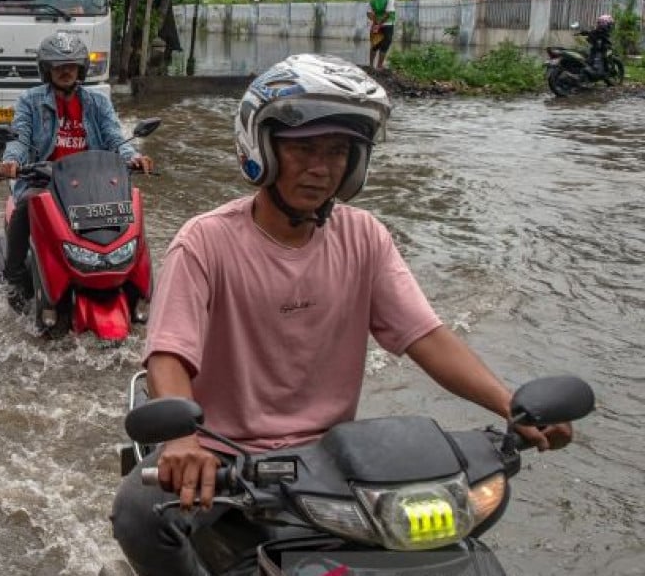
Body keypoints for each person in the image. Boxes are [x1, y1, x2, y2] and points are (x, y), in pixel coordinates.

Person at [109, 54, 574, 576]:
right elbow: (168, 354)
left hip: (330, 462)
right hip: (226, 460)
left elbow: (427, 337)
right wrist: (182, 439)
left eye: (337, 151)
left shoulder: (365, 237)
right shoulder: (206, 241)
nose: (321, 167)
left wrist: (512, 405)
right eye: (303, 148)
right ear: (262, 148)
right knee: (137, 513)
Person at [0, 32, 153, 301]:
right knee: (25, 206)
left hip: (92, 181)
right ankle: (14, 279)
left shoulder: (97, 102)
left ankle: (136, 281)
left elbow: (115, 137)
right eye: (58, 66)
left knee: (130, 210)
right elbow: (20, 139)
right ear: (47, 70)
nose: (65, 71)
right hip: (44, 181)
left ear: (80, 68)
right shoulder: (30, 101)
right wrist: (11, 162)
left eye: (70, 65)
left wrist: (133, 156)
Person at [368, 0, 397, 70]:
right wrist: (380, 24)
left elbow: (368, 13)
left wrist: (376, 22)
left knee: (375, 45)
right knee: (385, 46)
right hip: (387, 25)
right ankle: (379, 66)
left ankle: (371, 66)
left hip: (376, 25)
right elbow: (388, 13)